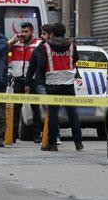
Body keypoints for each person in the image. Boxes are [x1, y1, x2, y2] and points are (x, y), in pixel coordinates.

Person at [29, 23, 83, 152]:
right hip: (68, 85)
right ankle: (78, 142)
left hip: (52, 85)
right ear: (64, 32)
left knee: (53, 115)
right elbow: (75, 59)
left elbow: (42, 64)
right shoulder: (72, 45)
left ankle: (52, 144)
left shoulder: (46, 46)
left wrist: (41, 78)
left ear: (52, 33)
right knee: (73, 115)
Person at [7, 22, 39, 142]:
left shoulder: (38, 44)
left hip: (33, 80)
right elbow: (4, 49)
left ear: (32, 31)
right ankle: (13, 135)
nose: (24, 34)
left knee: (35, 108)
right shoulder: (17, 43)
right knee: (16, 109)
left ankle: (36, 135)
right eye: (22, 31)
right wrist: (13, 40)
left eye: (26, 32)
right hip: (18, 79)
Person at [25, 24, 55, 144]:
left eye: (44, 34)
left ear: (51, 35)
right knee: (39, 109)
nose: (41, 36)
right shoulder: (39, 49)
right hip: (40, 82)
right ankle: (38, 134)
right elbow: (31, 67)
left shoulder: (58, 48)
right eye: (41, 33)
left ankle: (52, 134)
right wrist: (27, 83)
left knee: (52, 109)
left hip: (54, 83)